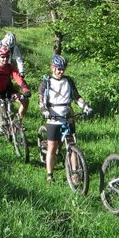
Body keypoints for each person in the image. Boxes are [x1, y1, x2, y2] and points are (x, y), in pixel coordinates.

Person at [38, 55, 93, 183]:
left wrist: (85, 106)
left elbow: (76, 97)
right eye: (58, 69)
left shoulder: (68, 81)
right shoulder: (46, 82)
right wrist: (44, 110)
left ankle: (74, 172)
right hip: (53, 117)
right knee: (52, 147)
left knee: (71, 143)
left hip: (67, 116)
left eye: (63, 69)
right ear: (52, 67)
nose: (61, 71)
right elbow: (41, 100)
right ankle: (50, 174)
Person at [0, 46, 30, 142]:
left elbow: (18, 77)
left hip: (7, 90)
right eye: (2, 56)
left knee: (25, 101)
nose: (5, 59)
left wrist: (25, 89)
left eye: (7, 56)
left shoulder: (10, 67)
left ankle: (17, 122)